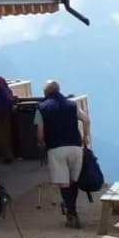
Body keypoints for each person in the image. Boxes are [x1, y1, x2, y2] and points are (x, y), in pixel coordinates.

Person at [35, 80, 91, 229]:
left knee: (64, 183)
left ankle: (71, 214)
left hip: (55, 149)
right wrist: (85, 137)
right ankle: (73, 211)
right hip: (75, 146)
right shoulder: (72, 105)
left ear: (46, 93)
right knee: (73, 181)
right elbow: (86, 120)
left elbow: (40, 133)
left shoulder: (41, 108)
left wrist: (41, 143)